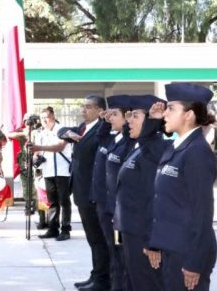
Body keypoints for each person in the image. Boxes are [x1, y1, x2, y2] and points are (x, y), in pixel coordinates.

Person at [145, 83, 217, 291]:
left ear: (189, 114)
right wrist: (156, 242)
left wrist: (194, 262)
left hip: (187, 252)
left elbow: (202, 212)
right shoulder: (177, 147)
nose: (165, 113)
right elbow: (148, 147)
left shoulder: (197, 153)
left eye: (171, 108)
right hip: (173, 246)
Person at [113, 95, 169, 291]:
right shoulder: (139, 148)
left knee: (146, 284)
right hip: (131, 231)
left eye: (135, 116)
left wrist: (153, 241)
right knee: (133, 282)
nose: (129, 120)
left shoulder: (156, 149)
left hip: (143, 235)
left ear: (151, 122)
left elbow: (156, 198)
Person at [58, 95, 109, 291]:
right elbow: (61, 131)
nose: (83, 110)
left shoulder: (102, 129)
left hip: (92, 193)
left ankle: (103, 280)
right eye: (83, 106)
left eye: (88, 107)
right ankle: (96, 274)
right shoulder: (83, 128)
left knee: (99, 239)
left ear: (99, 110)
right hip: (81, 191)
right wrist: (68, 133)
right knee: (92, 239)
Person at [94, 95, 131, 290]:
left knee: (121, 255)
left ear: (127, 117)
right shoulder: (113, 139)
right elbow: (100, 138)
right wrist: (104, 121)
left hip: (118, 211)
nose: (111, 118)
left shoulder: (128, 143)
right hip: (107, 206)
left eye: (115, 114)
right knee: (114, 252)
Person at [29, 107, 73, 241]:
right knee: (52, 202)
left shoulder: (63, 130)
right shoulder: (41, 133)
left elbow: (60, 147)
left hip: (63, 171)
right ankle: (53, 228)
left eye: (46, 117)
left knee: (64, 201)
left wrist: (39, 148)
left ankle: (65, 229)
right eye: (41, 118)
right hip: (48, 171)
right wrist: (35, 157)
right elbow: (37, 152)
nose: (43, 120)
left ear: (53, 116)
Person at [7, 112, 47, 229]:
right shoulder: (23, 132)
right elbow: (10, 135)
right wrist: (25, 133)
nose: (28, 124)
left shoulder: (41, 132)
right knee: (26, 189)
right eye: (26, 122)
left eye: (31, 121)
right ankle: (28, 205)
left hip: (37, 166)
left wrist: (34, 132)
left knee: (39, 192)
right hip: (24, 165)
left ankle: (42, 217)